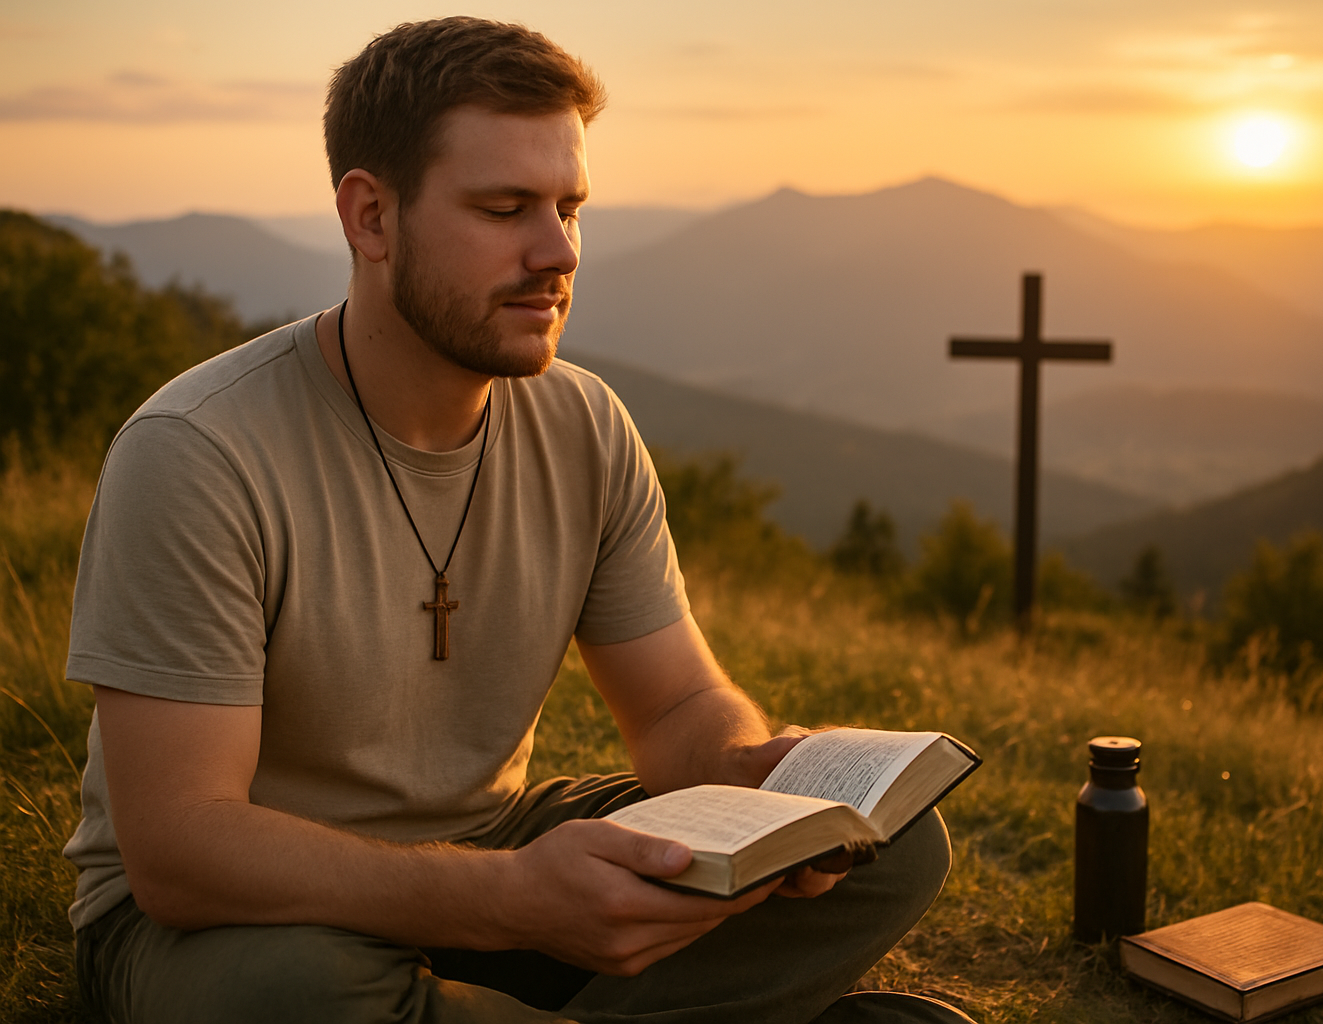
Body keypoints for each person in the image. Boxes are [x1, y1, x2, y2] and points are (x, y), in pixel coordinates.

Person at [62, 16, 969, 1024]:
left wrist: (754, 773)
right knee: (286, 995)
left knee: (887, 847)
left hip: (493, 856)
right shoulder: (200, 451)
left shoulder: (582, 425)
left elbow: (673, 708)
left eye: (570, 206)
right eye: (505, 209)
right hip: (245, 919)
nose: (558, 250)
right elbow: (181, 852)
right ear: (371, 217)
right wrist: (515, 902)